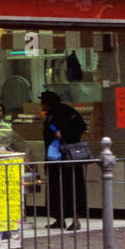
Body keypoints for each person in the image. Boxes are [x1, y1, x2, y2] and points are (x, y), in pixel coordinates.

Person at [40, 90, 87, 231]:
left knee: (71, 188)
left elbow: (80, 127)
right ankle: (59, 219)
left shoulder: (65, 111)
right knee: (55, 189)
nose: (41, 104)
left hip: (68, 159)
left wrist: (64, 134)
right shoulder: (50, 115)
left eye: (43, 102)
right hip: (54, 157)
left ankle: (76, 220)